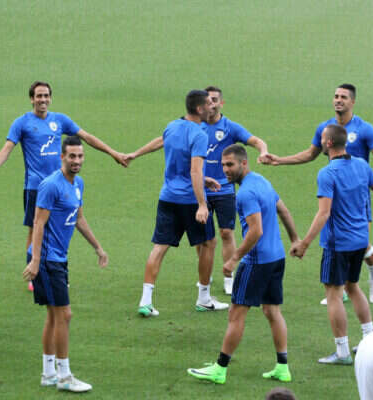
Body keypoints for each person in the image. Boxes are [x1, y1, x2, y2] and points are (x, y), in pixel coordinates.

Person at [263, 84, 373, 304]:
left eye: (343, 97)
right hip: (335, 192)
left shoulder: (365, 129)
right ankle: (340, 288)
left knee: (361, 244)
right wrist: (279, 160)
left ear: (352, 101)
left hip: (358, 195)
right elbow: (311, 154)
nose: (338, 100)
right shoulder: (325, 129)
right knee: (340, 241)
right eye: (336, 96)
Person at [0, 81, 126, 291]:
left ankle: (57, 269)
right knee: (35, 227)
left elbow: (87, 138)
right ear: (31, 99)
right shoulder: (22, 123)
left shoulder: (60, 120)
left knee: (61, 227)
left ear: (50, 98)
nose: (42, 100)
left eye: (46, 96)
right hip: (35, 187)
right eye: (39, 96)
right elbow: (7, 148)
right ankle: (33, 272)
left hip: (60, 185)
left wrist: (113, 153)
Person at [187, 145, 299, 385]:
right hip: (276, 257)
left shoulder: (246, 193)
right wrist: (295, 239)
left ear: (244, 163)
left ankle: (220, 369)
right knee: (272, 311)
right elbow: (283, 210)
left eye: (230, 165)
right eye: (223, 165)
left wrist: (234, 258)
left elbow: (256, 230)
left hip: (257, 261)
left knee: (236, 313)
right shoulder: (262, 181)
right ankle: (282, 367)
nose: (225, 170)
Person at [290, 124, 373, 365]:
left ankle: (342, 351)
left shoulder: (327, 173)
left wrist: (304, 243)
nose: (320, 142)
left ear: (328, 143)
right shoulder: (361, 164)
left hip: (338, 244)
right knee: (352, 286)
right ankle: (368, 338)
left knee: (334, 294)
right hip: (360, 240)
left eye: (322, 139)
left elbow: (323, 213)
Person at [125, 89, 227, 317]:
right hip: (190, 200)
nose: (212, 107)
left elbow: (166, 149)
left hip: (168, 197)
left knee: (160, 247)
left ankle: (145, 301)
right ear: (199, 109)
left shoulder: (172, 126)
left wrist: (135, 154)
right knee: (209, 243)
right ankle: (204, 298)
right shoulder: (200, 134)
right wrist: (202, 204)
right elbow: (194, 170)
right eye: (209, 104)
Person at [22, 136, 108, 392]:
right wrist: (35, 261)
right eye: (72, 156)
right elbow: (38, 223)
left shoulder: (78, 183)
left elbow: (78, 218)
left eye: (80, 156)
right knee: (64, 314)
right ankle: (64, 375)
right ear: (62, 157)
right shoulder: (50, 185)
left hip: (58, 257)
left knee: (54, 315)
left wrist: (97, 247)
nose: (76, 161)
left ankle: (49, 373)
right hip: (47, 259)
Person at [199, 85, 270, 295]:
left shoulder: (230, 127)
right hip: (200, 190)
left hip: (224, 189)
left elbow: (256, 141)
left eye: (214, 100)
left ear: (221, 103)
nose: (211, 104)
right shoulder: (196, 126)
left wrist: (263, 151)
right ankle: (205, 273)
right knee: (203, 238)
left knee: (226, 232)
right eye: (207, 100)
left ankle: (229, 277)